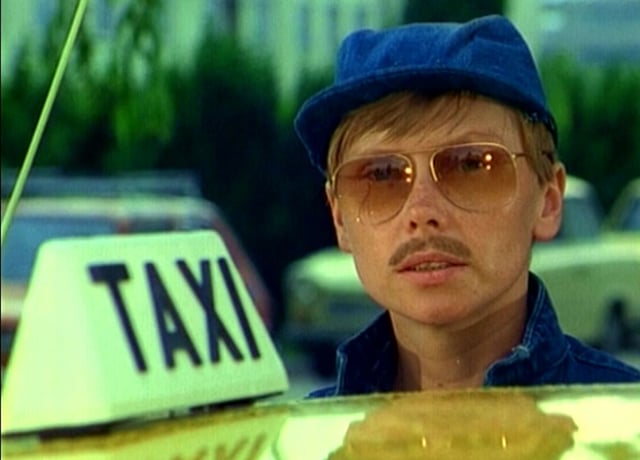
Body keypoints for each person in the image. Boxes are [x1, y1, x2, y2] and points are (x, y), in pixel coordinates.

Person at [294, 15, 640, 396]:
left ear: (547, 202)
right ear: (339, 217)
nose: (422, 211)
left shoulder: (625, 417)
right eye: (381, 174)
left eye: (471, 165)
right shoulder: (305, 431)